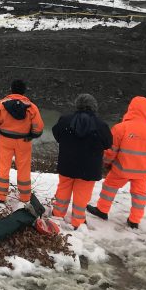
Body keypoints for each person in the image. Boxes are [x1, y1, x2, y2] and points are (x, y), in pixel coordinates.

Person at [87, 96, 146, 229]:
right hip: (143, 172)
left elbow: (111, 150)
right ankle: (134, 221)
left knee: (109, 188)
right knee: (139, 196)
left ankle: (102, 211)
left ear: (131, 108)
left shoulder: (120, 128)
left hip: (121, 169)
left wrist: (107, 163)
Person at [50, 94, 112, 228]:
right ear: (94, 107)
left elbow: (56, 134)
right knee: (82, 195)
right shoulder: (101, 125)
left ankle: (57, 215)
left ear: (77, 105)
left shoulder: (65, 120)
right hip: (89, 169)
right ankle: (78, 221)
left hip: (67, 163)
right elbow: (108, 143)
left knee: (63, 190)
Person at [0, 79, 44, 203]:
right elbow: (38, 128)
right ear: (24, 91)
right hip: (24, 141)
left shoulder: (0, 104)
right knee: (24, 169)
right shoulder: (31, 107)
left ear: (11, 89)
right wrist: (31, 135)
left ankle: (0, 196)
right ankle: (25, 197)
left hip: (5, 140)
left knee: (3, 168)